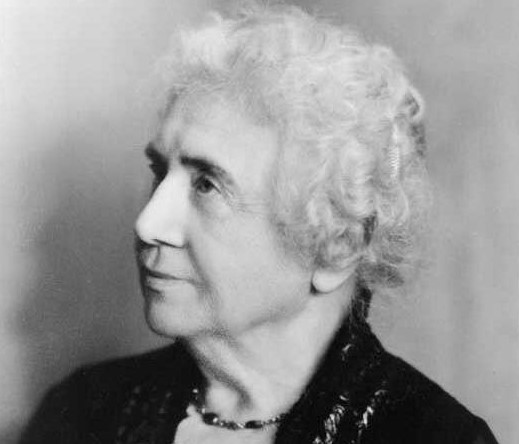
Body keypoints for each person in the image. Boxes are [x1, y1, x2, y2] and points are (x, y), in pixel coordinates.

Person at [20, 4, 499, 444]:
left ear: (338, 244)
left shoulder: (435, 438)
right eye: (159, 172)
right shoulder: (82, 413)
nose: (148, 224)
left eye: (207, 184)